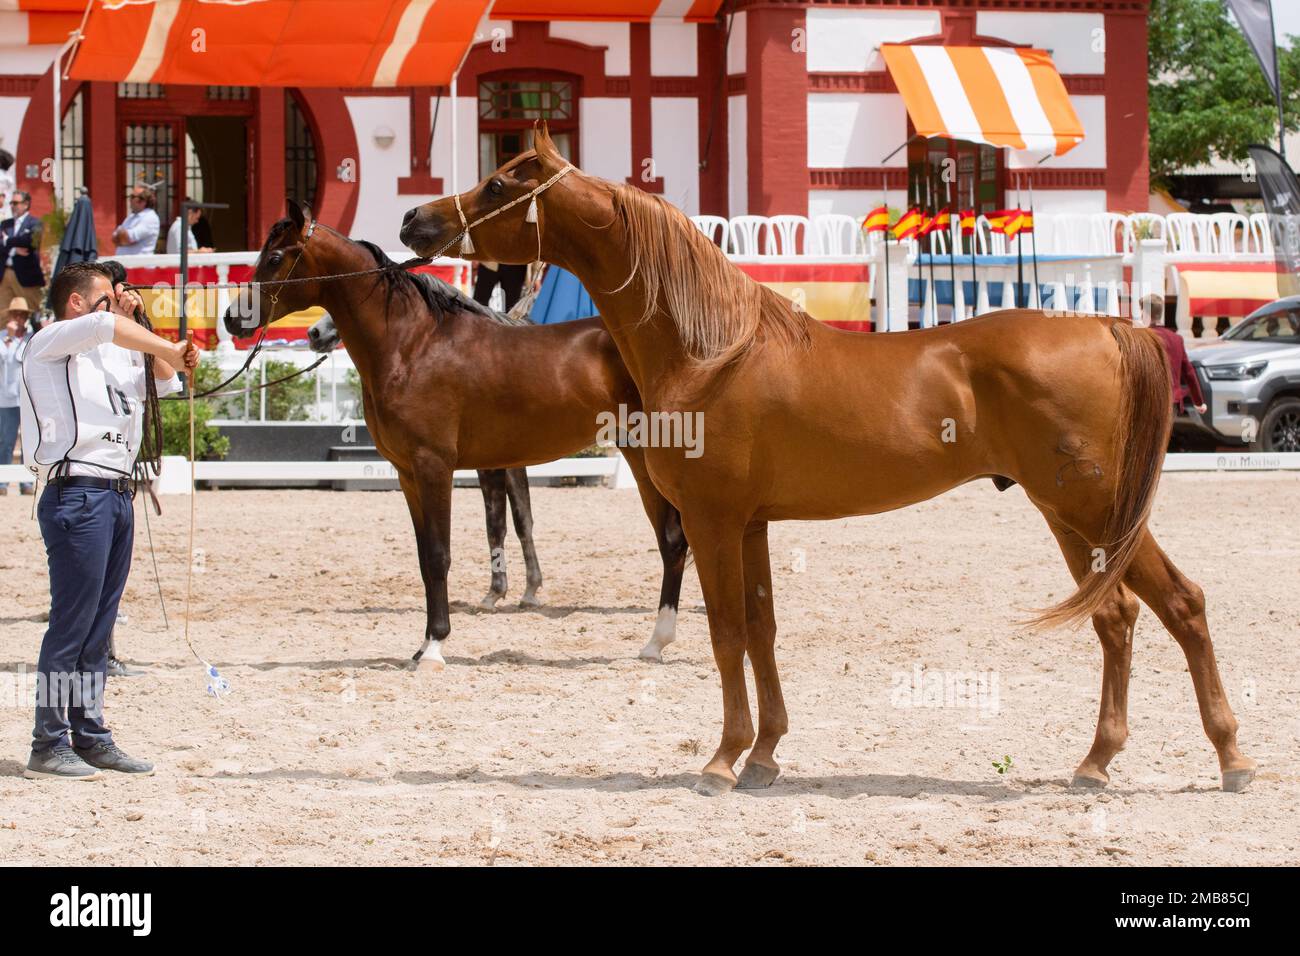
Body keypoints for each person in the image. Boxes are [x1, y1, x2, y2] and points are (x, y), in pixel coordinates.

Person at [20, 261, 198, 780]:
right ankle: (47, 742)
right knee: (70, 626)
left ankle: (90, 732)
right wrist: (153, 339)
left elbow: (164, 382)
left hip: (117, 495)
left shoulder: (115, 354)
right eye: (106, 297)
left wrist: (150, 338)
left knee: (98, 627)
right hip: (77, 491)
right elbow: (107, 329)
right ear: (76, 303)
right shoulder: (51, 340)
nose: (117, 304)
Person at [1143, 295, 1207, 415]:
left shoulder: (1142, 338)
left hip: (1149, 402)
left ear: (1145, 313)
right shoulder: (1176, 339)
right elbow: (1189, 372)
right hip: (1172, 402)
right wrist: (1199, 402)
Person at [1, 296, 35, 495]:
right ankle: (2, 484)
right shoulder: (2, 337)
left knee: (29, 442)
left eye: (22, 315)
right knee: (6, 441)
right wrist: (9, 339)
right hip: (5, 398)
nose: (18, 318)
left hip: (28, 398)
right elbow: (3, 358)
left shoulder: (32, 337)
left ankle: (26, 483)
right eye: (15, 314)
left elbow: (26, 359)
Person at [1, 190, 46, 312]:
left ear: (26, 204)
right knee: (3, 314)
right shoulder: (5, 224)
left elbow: (30, 242)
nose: (12, 206)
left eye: (15, 203)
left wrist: (7, 241)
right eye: (11, 203)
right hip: (5, 273)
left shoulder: (35, 223)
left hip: (26, 274)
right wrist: (14, 250)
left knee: (32, 310)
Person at [112, 185, 161, 256]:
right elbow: (114, 238)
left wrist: (122, 236)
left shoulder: (150, 218)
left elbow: (128, 238)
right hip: (126, 264)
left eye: (132, 197)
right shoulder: (131, 217)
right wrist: (122, 237)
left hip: (139, 264)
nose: (130, 200)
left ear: (143, 201)